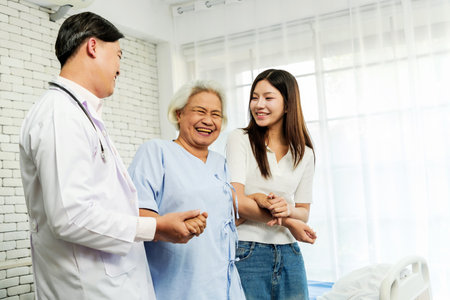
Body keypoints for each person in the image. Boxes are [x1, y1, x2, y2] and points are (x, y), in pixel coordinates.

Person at [19, 12, 205, 300]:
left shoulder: (79, 114)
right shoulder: (60, 115)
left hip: (110, 284)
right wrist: (156, 228)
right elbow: (70, 216)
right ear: (93, 47)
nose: (119, 68)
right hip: (88, 289)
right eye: (118, 55)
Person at [128, 80, 245, 299]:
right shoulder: (156, 152)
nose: (208, 121)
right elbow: (138, 216)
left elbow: (230, 217)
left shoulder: (222, 163)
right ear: (179, 114)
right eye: (200, 111)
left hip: (224, 286)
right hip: (176, 286)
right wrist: (171, 226)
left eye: (216, 114)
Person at [226, 69, 317, 300]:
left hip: (289, 252)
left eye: (268, 97)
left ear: (288, 105)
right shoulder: (240, 139)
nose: (258, 104)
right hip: (247, 249)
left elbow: (303, 213)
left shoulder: (304, 153)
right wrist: (288, 221)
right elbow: (236, 201)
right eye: (254, 97)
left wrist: (288, 210)